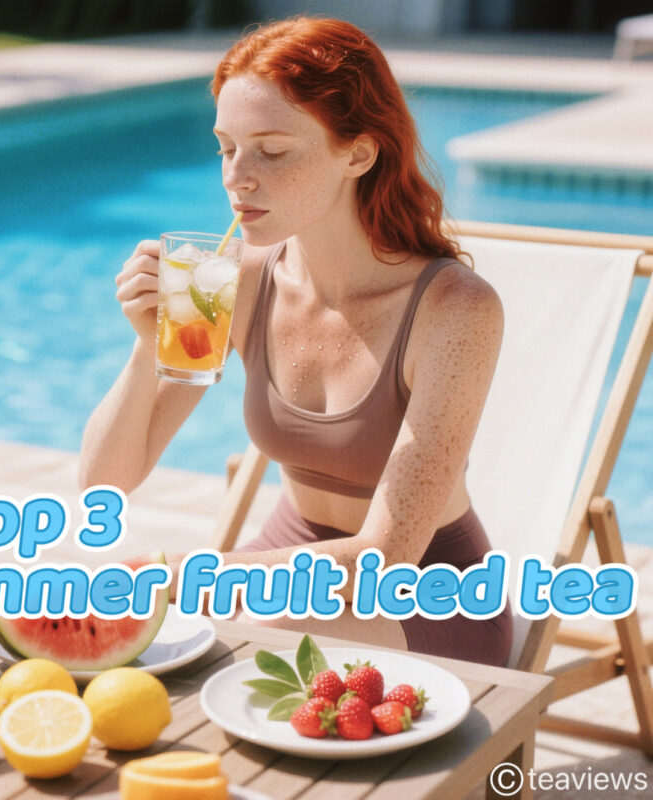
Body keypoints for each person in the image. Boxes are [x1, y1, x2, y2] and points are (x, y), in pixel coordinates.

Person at [79, 16, 513, 667]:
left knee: (241, 638)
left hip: (425, 594)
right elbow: (104, 484)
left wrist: (195, 575)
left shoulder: (455, 311)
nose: (236, 177)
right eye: (225, 147)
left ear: (358, 154)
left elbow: (383, 558)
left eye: (272, 151)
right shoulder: (234, 279)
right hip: (284, 568)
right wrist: (149, 349)